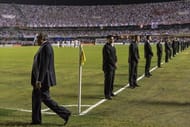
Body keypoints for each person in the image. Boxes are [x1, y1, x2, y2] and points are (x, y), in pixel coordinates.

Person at [31, 33, 71, 125]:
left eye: (37, 38)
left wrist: (39, 80)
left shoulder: (46, 47)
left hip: (43, 80)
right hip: (41, 79)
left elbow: (44, 66)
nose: (36, 40)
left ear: (42, 38)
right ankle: (36, 120)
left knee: (46, 99)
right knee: (36, 99)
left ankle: (65, 113)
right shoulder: (44, 46)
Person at [102, 35, 117, 100]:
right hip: (108, 66)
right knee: (108, 80)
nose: (112, 40)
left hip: (112, 66)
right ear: (107, 39)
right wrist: (114, 64)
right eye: (111, 39)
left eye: (113, 39)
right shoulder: (106, 47)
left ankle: (110, 92)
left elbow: (115, 56)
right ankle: (107, 94)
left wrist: (116, 62)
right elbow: (108, 57)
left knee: (112, 80)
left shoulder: (113, 46)